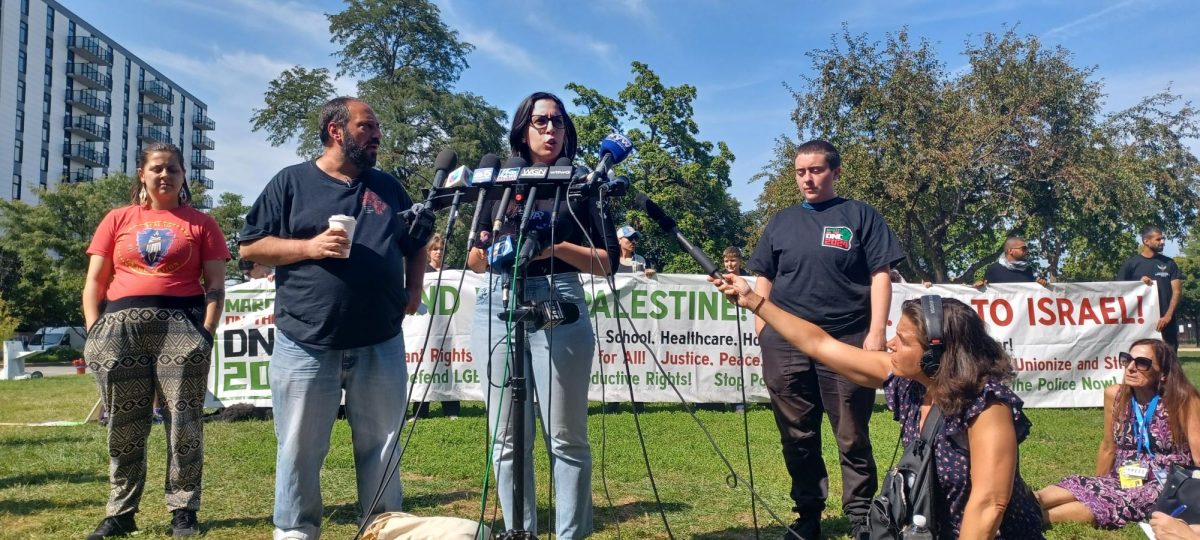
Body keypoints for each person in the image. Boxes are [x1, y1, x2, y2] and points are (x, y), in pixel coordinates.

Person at [712, 275, 1045, 538]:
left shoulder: (987, 405)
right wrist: (754, 301)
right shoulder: (911, 381)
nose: (889, 343)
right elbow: (819, 343)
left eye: (902, 338)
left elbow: (989, 505)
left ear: (935, 354)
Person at [239, 96, 427, 539]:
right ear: (336, 131)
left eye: (378, 126)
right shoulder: (291, 182)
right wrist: (308, 248)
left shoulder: (389, 187)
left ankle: (383, 530)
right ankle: (296, 532)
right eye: (367, 126)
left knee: (381, 447)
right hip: (305, 341)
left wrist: (413, 288)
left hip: (379, 340)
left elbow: (416, 239)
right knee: (300, 449)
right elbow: (250, 246)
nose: (377, 133)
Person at [466, 91, 618, 539]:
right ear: (522, 128)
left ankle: (570, 534)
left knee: (565, 437)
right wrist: (494, 253)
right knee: (507, 439)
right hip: (498, 298)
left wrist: (551, 248)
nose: (550, 129)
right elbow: (473, 259)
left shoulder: (582, 183)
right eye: (540, 121)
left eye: (557, 121)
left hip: (559, 295)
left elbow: (607, 261)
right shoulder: (499, 182)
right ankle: (521, 533)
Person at [746, 139, 904, 539]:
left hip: (848, 338)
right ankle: (808, 516)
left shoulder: (860, 215)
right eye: (801, 172)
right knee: (796, 433)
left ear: (835, 171)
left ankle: (861, 516)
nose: (807, 179)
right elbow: (764, 274)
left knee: (851, 432)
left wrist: (876, 332)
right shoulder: (781, 220)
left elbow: (880, 274)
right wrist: (763, 327)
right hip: (785, 341)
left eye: (816, 170)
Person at [82, 142, 228, 539]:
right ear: (142, 175)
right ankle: (120, 512)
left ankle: (183, 510)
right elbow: (95, 281)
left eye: (174, 170)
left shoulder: (201, 223)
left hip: (182, 328)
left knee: (184, 423)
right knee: (125, 426)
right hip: (119, 330)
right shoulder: (117, 219)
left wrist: (205, 333)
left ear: (184, 177)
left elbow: (215, 285)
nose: (165, 176)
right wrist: (95, 333)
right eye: (158, 169)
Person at [1036, 338, 1200, 529]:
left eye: (1142, 363)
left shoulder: (1183, 399)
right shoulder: (1115, 395)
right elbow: (1108, 446)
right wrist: (1097, 484)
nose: (1131, 367)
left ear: (1163, 374)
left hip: (1163, 483)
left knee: (1108, 502)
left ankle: (1024, 520)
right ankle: (1017, 507)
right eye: (1127, 359)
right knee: (1078, 484)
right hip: (1122, 477)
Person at [412, 233, 460, 419]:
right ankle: (420, 411)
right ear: (428, 252)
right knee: (424, 365)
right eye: (435, 249)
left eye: (441, 249)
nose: (439, 252)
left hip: (448, 327)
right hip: (425, 329)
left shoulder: (452, 273)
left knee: (448, 365)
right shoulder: (422, 272)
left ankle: (452, 410)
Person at [1119, 226, 1183, 350]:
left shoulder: (1170, 263)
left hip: (1165, 322)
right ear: (1146, 241)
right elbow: (1119, 291)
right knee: (1142, 359)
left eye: (1163, 239)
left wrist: (1168, 316)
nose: (1163, 242)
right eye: (1158, 239)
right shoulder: (1131, 264)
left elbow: (1177, 292)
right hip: (1140, 324)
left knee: (1168, 362)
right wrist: (1137, 284)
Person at [974, 236, 1048, 287]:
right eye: (1024, 248)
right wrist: (979, 286)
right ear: (1010, 251)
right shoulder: (994, 269)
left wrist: (1040, 285)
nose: (1027, 251)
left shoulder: (1028, 270)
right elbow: (986, 295)